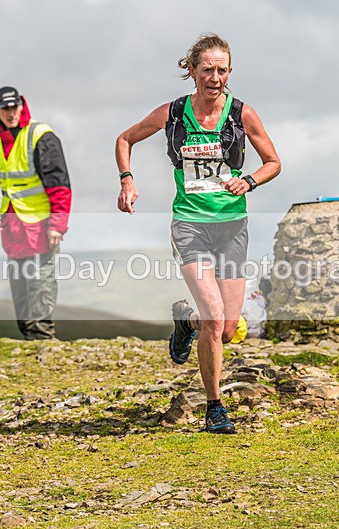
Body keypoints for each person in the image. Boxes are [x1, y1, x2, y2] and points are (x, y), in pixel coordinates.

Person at [115, 34, 281, 433]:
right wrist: (127, 180)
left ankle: (183, 322)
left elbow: (273, 161)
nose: (215, 77)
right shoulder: (173, 113)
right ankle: (215, 407)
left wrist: (251, 181)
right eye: (207, 69)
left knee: (226, 327)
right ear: (190, 71)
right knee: (214, 316)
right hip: (189, 225)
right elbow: (125, 139)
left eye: (222, 70)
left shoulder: (242, 114)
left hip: (232, 227)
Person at [0, 86, 72, 340]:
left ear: (21, 105)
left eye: (13, 107)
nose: (10, 113)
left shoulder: (41, 136)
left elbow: (59, 183)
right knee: (20, 282)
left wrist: (57, 223)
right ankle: (29, 336)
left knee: (41, 279)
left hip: (42, 222)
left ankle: (42, 337)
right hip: (12, 224)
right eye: (4, 109)